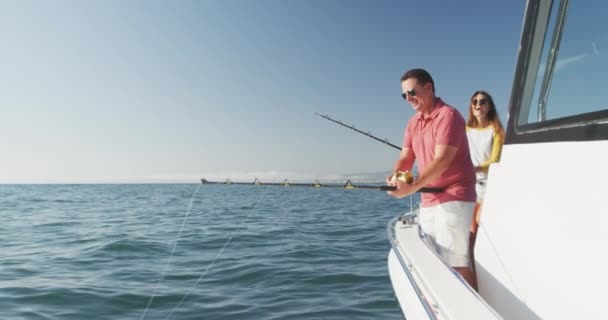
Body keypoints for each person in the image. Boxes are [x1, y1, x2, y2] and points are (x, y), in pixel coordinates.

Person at [386, 68, 477, 289]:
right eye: (404, 95)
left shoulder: (449, 115)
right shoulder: (412, 123)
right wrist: (398, 179)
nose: (408, 98)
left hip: (455, 194)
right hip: (429, 198)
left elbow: (442, 160)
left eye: (412, 92)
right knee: (435, 260)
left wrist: (412, 186)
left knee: (457, 263)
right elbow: (406, 158)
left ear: (428, 88)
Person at [466, 90, 505, 269]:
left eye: (482, 102)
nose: (478, 105)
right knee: (470, 232)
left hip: (489, 186)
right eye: (474, 102)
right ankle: (472, 269)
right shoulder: (466, 130)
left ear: (489, 106)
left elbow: (495, 160)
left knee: (478, 228)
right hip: (468, 185)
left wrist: (476, 168)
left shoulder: (496, 130)